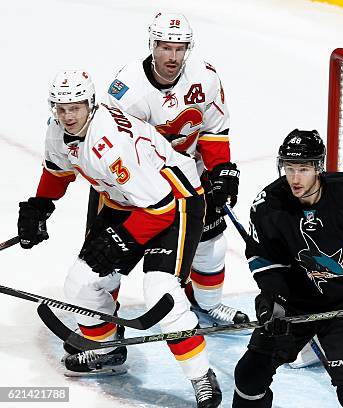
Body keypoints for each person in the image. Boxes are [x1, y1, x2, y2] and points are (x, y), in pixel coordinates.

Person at [17, 70, 221, 407]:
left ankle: (202, 376)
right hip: (126, 200)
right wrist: (39, 206)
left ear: (91, 104)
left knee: (160, 293)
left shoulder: (109, 144)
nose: (69, 116)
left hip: (176, 200)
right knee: (81, 283)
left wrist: (120, 240)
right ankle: (108, 352)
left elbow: (160, 207)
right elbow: (57, 168)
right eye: (62, 108)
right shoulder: (58, 130)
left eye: (76, 107)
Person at [232, 129, 343, 408]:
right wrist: (274, 302)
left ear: (318, 167)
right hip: (297, 303)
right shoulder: (268, 204)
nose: (294, 178)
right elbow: (266, 260)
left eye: (303, 169)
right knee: (249, 375)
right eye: (289, 168)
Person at [101, 12, 248, 325]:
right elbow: (116, 152)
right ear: (152, 45)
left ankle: (206, 302)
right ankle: (101, 317)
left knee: (211, 243)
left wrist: (221, 170)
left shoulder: (205, 77)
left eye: (180, 49)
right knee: (111, 251)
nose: (173, 57)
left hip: (189, 174)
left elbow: (213, 129)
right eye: (166, 48)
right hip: (133, 182)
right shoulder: (127, 90)